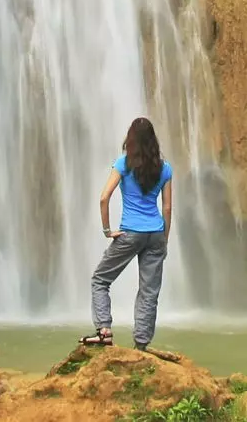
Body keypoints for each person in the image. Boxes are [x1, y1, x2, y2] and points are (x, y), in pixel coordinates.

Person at [81, 116, 172, 350]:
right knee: (149, 292)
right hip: (155, 233)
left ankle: (104, 331)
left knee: (100, 279)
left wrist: (107, 230)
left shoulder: (123, 164)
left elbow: (104, 198)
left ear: (130, 139)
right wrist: (164, 238)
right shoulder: (164, 168)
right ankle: (141, 345)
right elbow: (167, 207)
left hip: (130, 232)